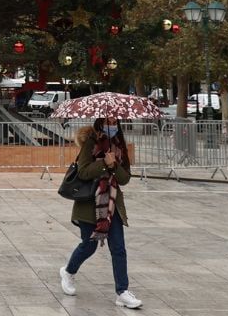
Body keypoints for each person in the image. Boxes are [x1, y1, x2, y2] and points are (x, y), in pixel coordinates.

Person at [58, 116, 142, 309]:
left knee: (118, 248)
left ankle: (122, 292)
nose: (112, 125)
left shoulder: (120, 145)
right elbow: (83, 172)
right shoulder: (91, 142)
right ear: (100, 122)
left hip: (112, 205)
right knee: (89, 246)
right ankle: (68, 271)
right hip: (90, 204)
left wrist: (114, 165)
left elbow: (124, 179)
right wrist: (104, 163)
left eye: (115, 122)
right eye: (108, 122)